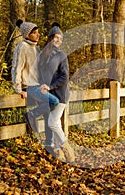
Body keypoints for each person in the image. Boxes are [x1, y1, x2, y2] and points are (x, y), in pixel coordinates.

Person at [11, 19, 59, 133]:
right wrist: (18, 89)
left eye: (38, 32)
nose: (38, 34)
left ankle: (47, 139)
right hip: (29, 87)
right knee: (54, 101)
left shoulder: (35, 48)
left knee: (52, 103)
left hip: (37, 85)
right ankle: (31, 115)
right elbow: (16, 68)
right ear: (27, 34)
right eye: (34, 33)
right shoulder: (22, 47)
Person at [38, 25, 75, 162]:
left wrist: (51, 86)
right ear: (50, 39)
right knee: (56, 123)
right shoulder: (43, 55)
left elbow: (65, 77)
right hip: (49, 95)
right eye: (56, 38)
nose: (58, 40)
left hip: (61, 94)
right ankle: (58, 151)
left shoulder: (61, 55)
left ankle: (67, 148)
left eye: (61, 38)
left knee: (52, 123)